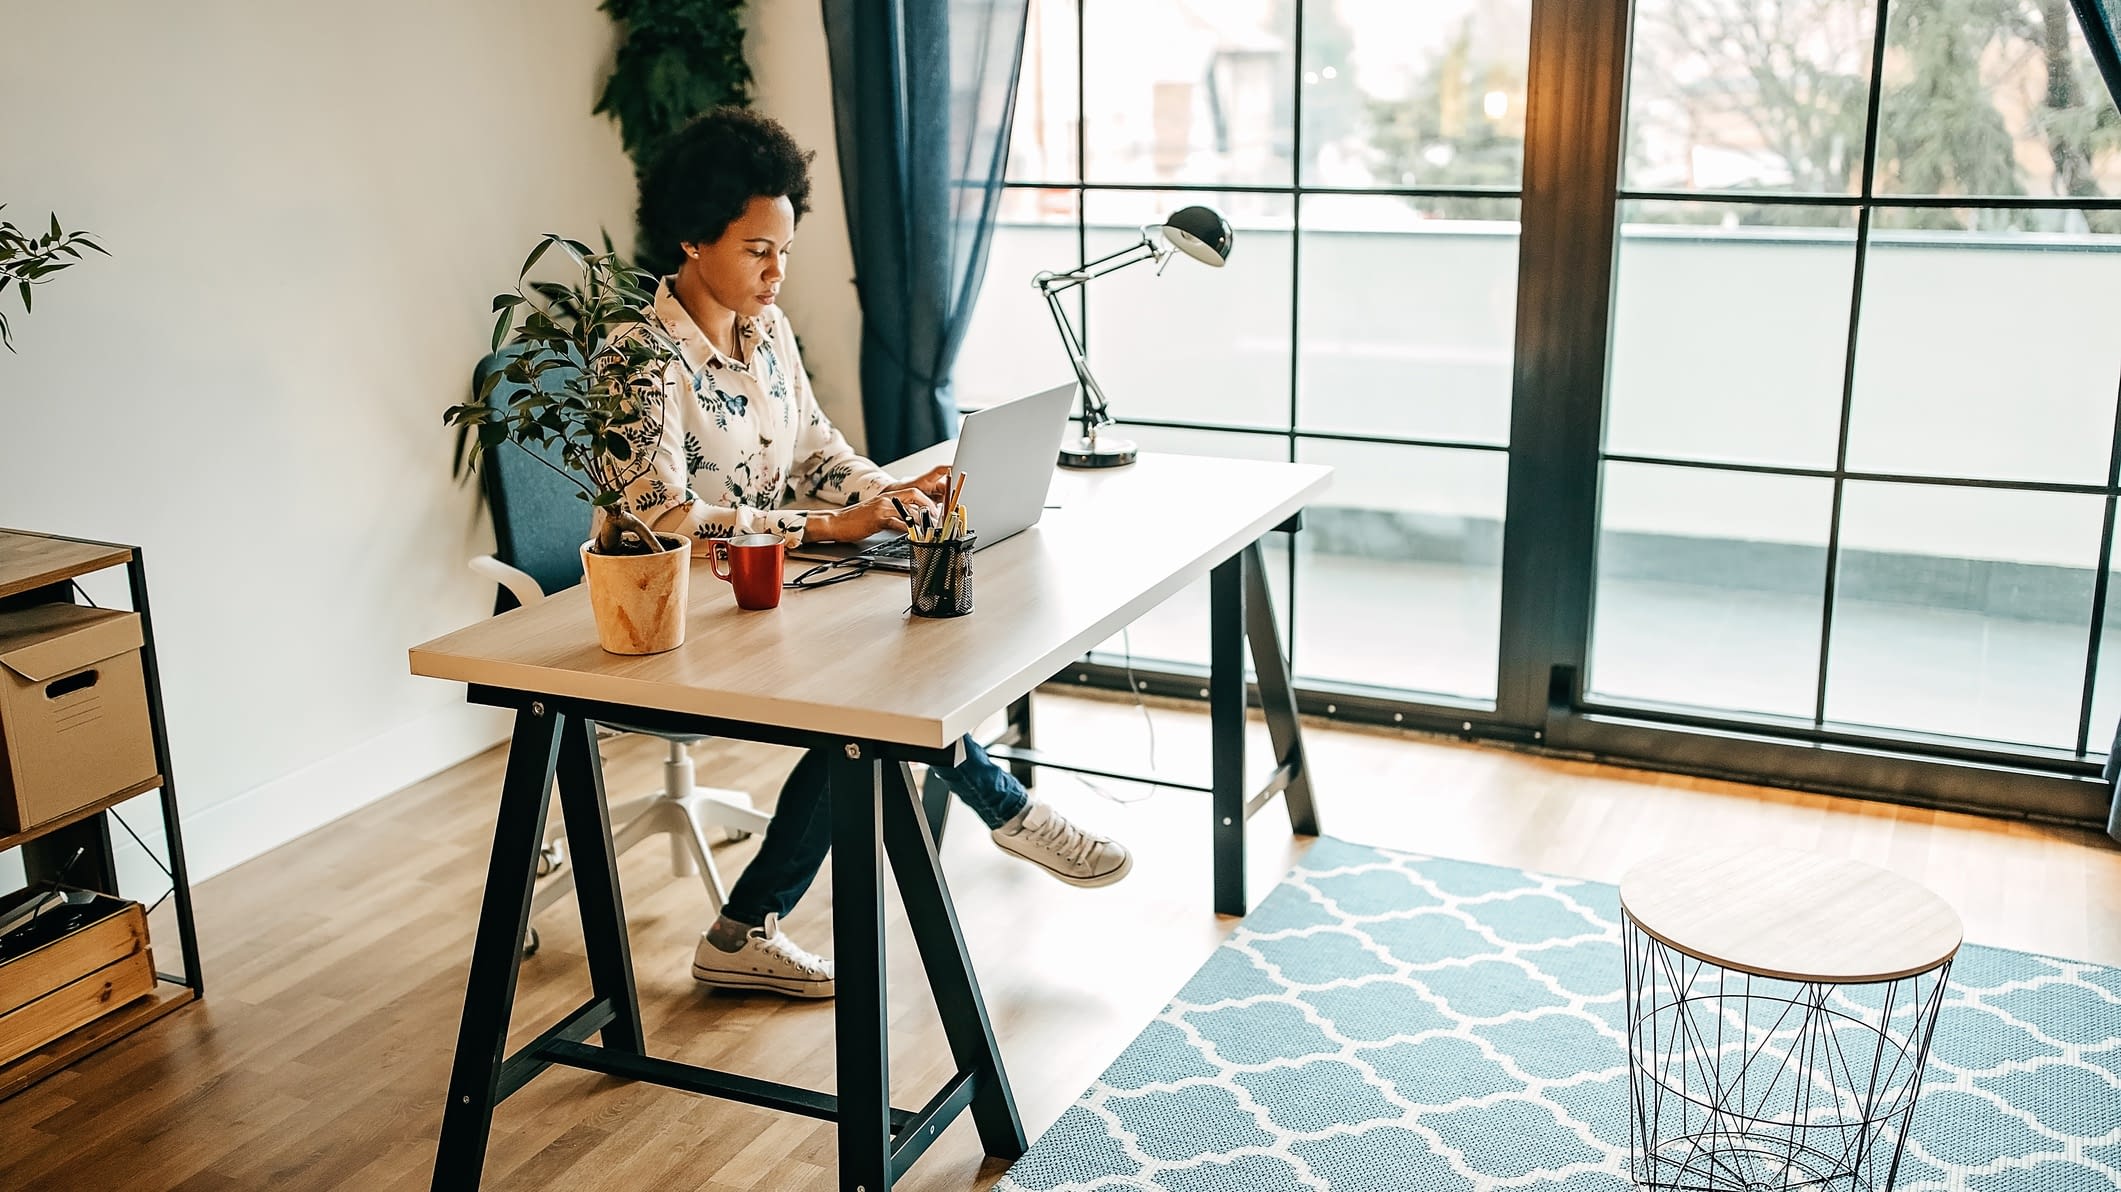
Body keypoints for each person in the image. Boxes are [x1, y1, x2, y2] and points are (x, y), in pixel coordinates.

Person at [605, 108, 1131, 999]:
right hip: (682, 616)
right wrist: (824, 530)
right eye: (756, 251)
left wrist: (878, 496)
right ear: (694, 239)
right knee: (867, 719)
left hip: (769, 597)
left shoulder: (764, 333)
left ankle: (744, 928)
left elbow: (815, 450)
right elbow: (660, 517)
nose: (776, 273)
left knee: (897, 679)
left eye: (785, 250)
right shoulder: (637, 357)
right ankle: (1006, 810)